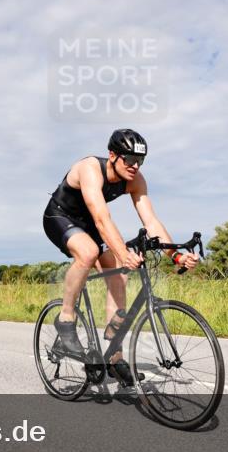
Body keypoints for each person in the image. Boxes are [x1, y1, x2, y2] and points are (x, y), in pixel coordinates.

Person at [42, 129, 199, 386]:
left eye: (140, 161)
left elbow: (151, 221)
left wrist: (176, 256)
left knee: (119, 275)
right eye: (130, 159)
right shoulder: (90, 169)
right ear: (113, 155)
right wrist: (124, 253)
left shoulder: (135, 180)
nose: (135, 166)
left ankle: (114, 359)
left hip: (89, 223)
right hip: (60, 217)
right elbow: (102, 219)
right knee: (88, 252)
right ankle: (66, 319)